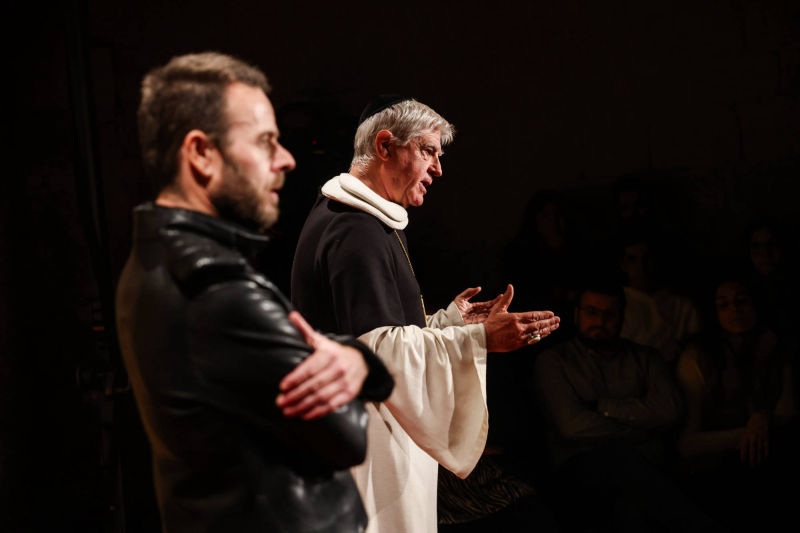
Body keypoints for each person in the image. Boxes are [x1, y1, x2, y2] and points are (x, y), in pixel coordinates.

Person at [115, 52, 394, 533]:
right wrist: (363, 364)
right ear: (201, 153)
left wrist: (354, 357)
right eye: (266, 141)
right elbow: (347, 437)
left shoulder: (149, 259)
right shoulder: (219, 292)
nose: (286, 158)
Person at [291, 96, 560, 533]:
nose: (438, 169)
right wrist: (480, 340)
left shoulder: (366, 220)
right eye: (428, 151)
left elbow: (381, 333)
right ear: (384, 146)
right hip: (362, 446)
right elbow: (379, 352)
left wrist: (450, 324)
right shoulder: (354, 229)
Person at [534, 278, 722, 532]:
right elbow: (572, 426)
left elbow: (670, 410)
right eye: (592, 312)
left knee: (631, 506)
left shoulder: (645, 358)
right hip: (578, 470)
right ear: (577, 314)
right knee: (620, 460)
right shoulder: (554, 361)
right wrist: (643, 428)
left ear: (622, 317)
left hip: (644, 469)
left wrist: (603, 406)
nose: (600, 321)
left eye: (609, 314)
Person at [675, 273, 797, 530]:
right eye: (724, 305)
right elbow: (687, 443)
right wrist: (749, 432)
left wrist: (763, 417)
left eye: (742, 301)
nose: (735, 311)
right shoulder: (697, 356)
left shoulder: (774, 347)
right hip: (714, 470)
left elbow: (787, 413)